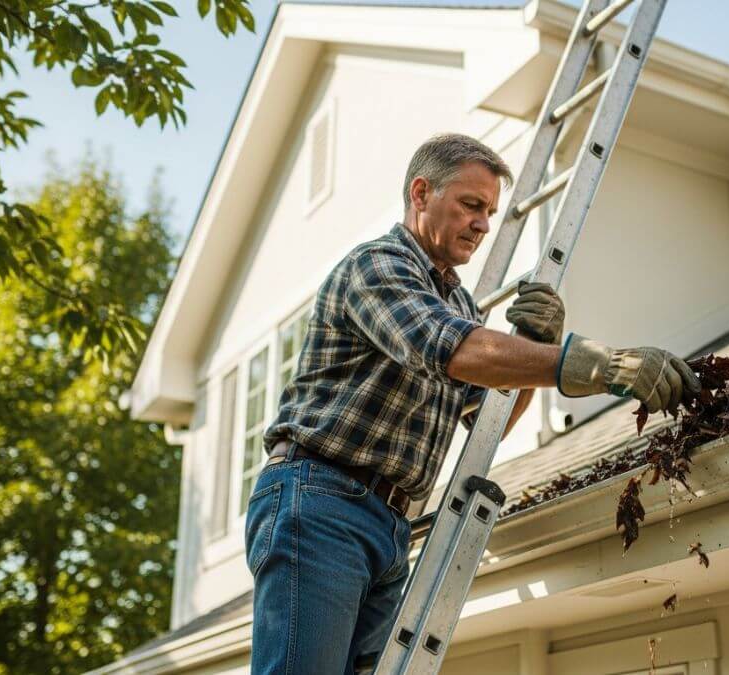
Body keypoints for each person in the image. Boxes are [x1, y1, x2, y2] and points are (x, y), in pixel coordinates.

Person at [246, 132, 700, 673]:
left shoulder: (459, 301)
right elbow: (450, 348)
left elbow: (490, 419)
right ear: (421, 194)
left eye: (489, 212)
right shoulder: (378, 266)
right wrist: (601, 365)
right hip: (321, 500)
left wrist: (536, 347)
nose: (483, 224)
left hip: (389, 522)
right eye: (471, 205)